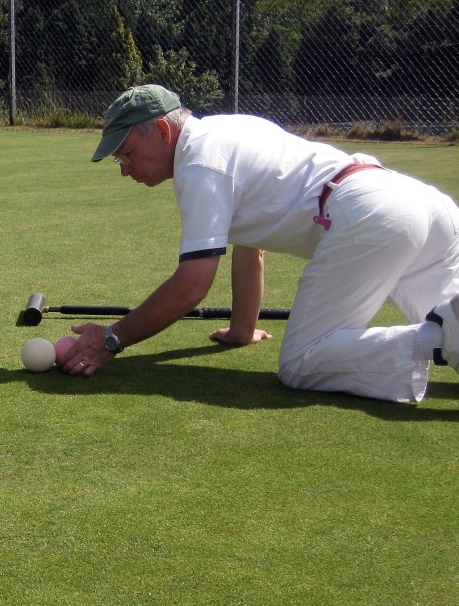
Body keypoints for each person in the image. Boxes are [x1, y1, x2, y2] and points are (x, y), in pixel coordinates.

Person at [57, 84, 459, 403]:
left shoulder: (198, 164)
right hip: (417, 202)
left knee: (302, 363)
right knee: (454, 323)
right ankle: (449, 334)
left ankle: (436, 339)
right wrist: (242, 329)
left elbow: (193, 284)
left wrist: (112, 339)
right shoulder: (226, 129)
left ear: (162, 131)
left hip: (371, 215)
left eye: (126, 154)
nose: (124, 170)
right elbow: (252, 246)